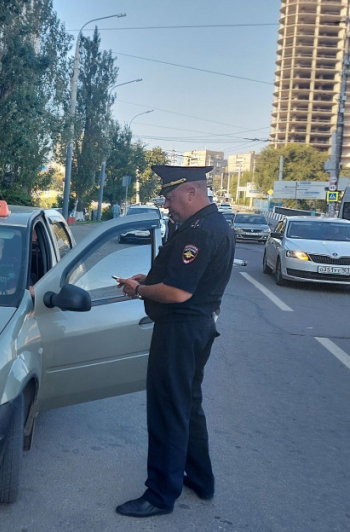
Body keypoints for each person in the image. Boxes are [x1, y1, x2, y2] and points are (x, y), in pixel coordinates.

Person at [115, 165, 235, 518]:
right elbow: (179, 279)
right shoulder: (210, 225)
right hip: (197, 328)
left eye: (170, 197)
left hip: (181, 331)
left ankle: (160, 495)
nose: (167, 205)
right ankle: (200, 478)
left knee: (168, 410)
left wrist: (140, 289)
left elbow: (177, 292)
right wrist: (148, 279)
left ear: (191, 193)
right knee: (188, 405)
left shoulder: (197, 233)